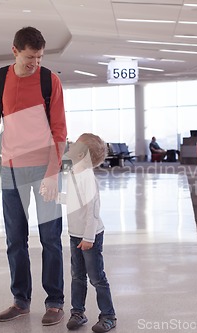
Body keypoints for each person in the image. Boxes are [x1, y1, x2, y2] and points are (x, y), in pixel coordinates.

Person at [0, 26, 67, 326]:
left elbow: (59, 130)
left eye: (39, 57)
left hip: (44, 170)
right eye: (30, 57)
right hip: (11, 168)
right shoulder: (0, 78)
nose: (35, 63)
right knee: (15, 239)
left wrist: (52, 174)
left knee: (51, 238)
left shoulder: (48, 80)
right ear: (15, 51)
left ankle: (54, 302)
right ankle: (21, 301)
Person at [57, 133, 117, 333]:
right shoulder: (74, 171)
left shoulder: (86, 177)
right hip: (76, 234)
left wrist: (89, 238)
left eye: (76, 144)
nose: (71, 145)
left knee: (96, 277)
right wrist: (56, 197)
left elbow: (92, 210)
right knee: (77, 276)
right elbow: (75, 201)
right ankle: (78, 312)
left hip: (90, 236)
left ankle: (108, 315)